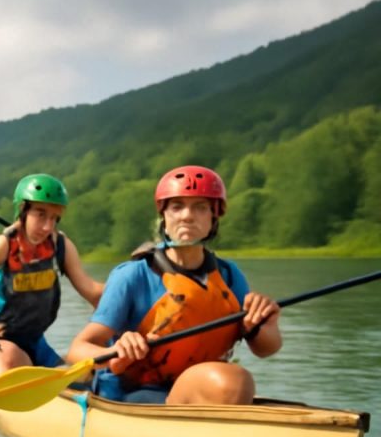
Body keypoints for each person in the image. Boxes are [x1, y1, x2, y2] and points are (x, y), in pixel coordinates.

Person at [67, 165, 282, 404]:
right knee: (232, 381)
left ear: (214, 216)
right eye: (177, 206)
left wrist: (265, 325)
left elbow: (266, 349)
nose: (187, 216)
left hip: (201, 389)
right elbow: (78, 349)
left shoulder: (229, 275)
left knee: (232, 382)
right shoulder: (132, 275)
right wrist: (116, 351)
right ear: (164, 216)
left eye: (200, 207)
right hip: (133, 394)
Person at [0, 174, 103, 376]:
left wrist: (128, 294)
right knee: (10, 366)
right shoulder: (4, 245)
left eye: (54, 218)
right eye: (41, 214)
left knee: (87, 377)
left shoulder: (60, 246)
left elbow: (92, 292)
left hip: (34, 339)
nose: (48, 227)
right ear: (23, 210)